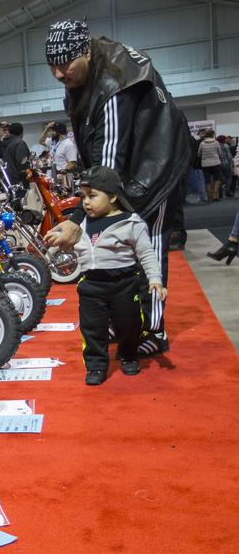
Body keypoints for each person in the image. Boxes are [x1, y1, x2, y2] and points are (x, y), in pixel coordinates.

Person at [42, 18, 191, 357]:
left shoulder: (112, 86)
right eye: (52, 66)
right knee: (114, 245)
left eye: (65, 65)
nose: (59, 73)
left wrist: (77, 219)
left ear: (86, 52)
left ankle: (154, 330)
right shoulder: (84, 74)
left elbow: (107, 167)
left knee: (148, 245)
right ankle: (126, 323)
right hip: (130, 165)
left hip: (156, 168)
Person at [73, 166, 167, 385]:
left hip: (124, 284)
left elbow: (147, 253)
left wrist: (155, 279)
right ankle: (96, 365)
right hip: (91, 285)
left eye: (92, 196)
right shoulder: (81, 223)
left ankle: (128, 355)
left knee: (129, 323)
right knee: (92, 328)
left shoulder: (131, 223)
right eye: (83, 197)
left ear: (113, 196)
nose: (86, 202)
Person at [39, 121, 79, 190]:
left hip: (63, 179)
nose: (51, 133)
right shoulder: (53, 142)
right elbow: (41, 141)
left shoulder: (68, 144)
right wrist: (47, 128)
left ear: (59, 132)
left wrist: (63, 174)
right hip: (51, 177)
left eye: (53, 131)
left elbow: (72, 163)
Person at [198, 129, 223, 202]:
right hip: (215, 163)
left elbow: (199, 154)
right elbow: (220, 153)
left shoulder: (202, 143)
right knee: (217, 179)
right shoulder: (216, 142)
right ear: (213, 135)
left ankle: (209, 196)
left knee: (207, 180)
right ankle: (215, 194)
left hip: (205, 164)